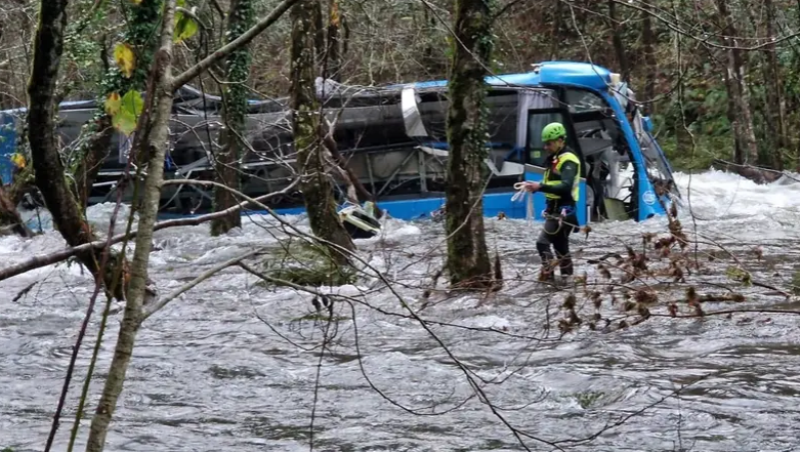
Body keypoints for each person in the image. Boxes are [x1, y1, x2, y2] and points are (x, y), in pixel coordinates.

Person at [521, 122, 581, 283]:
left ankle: (548, 280)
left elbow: (566, 186)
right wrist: (534, 187)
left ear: (561, 140)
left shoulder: (569, 160)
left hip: (564, 212)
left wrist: (539, 186)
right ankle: (567, 283)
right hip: (555, 210)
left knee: (542, 243)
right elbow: (554, 183)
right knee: (561, 249)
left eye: (549, 143)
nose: (546, 147)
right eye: (545, 144)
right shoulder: (556, 158)